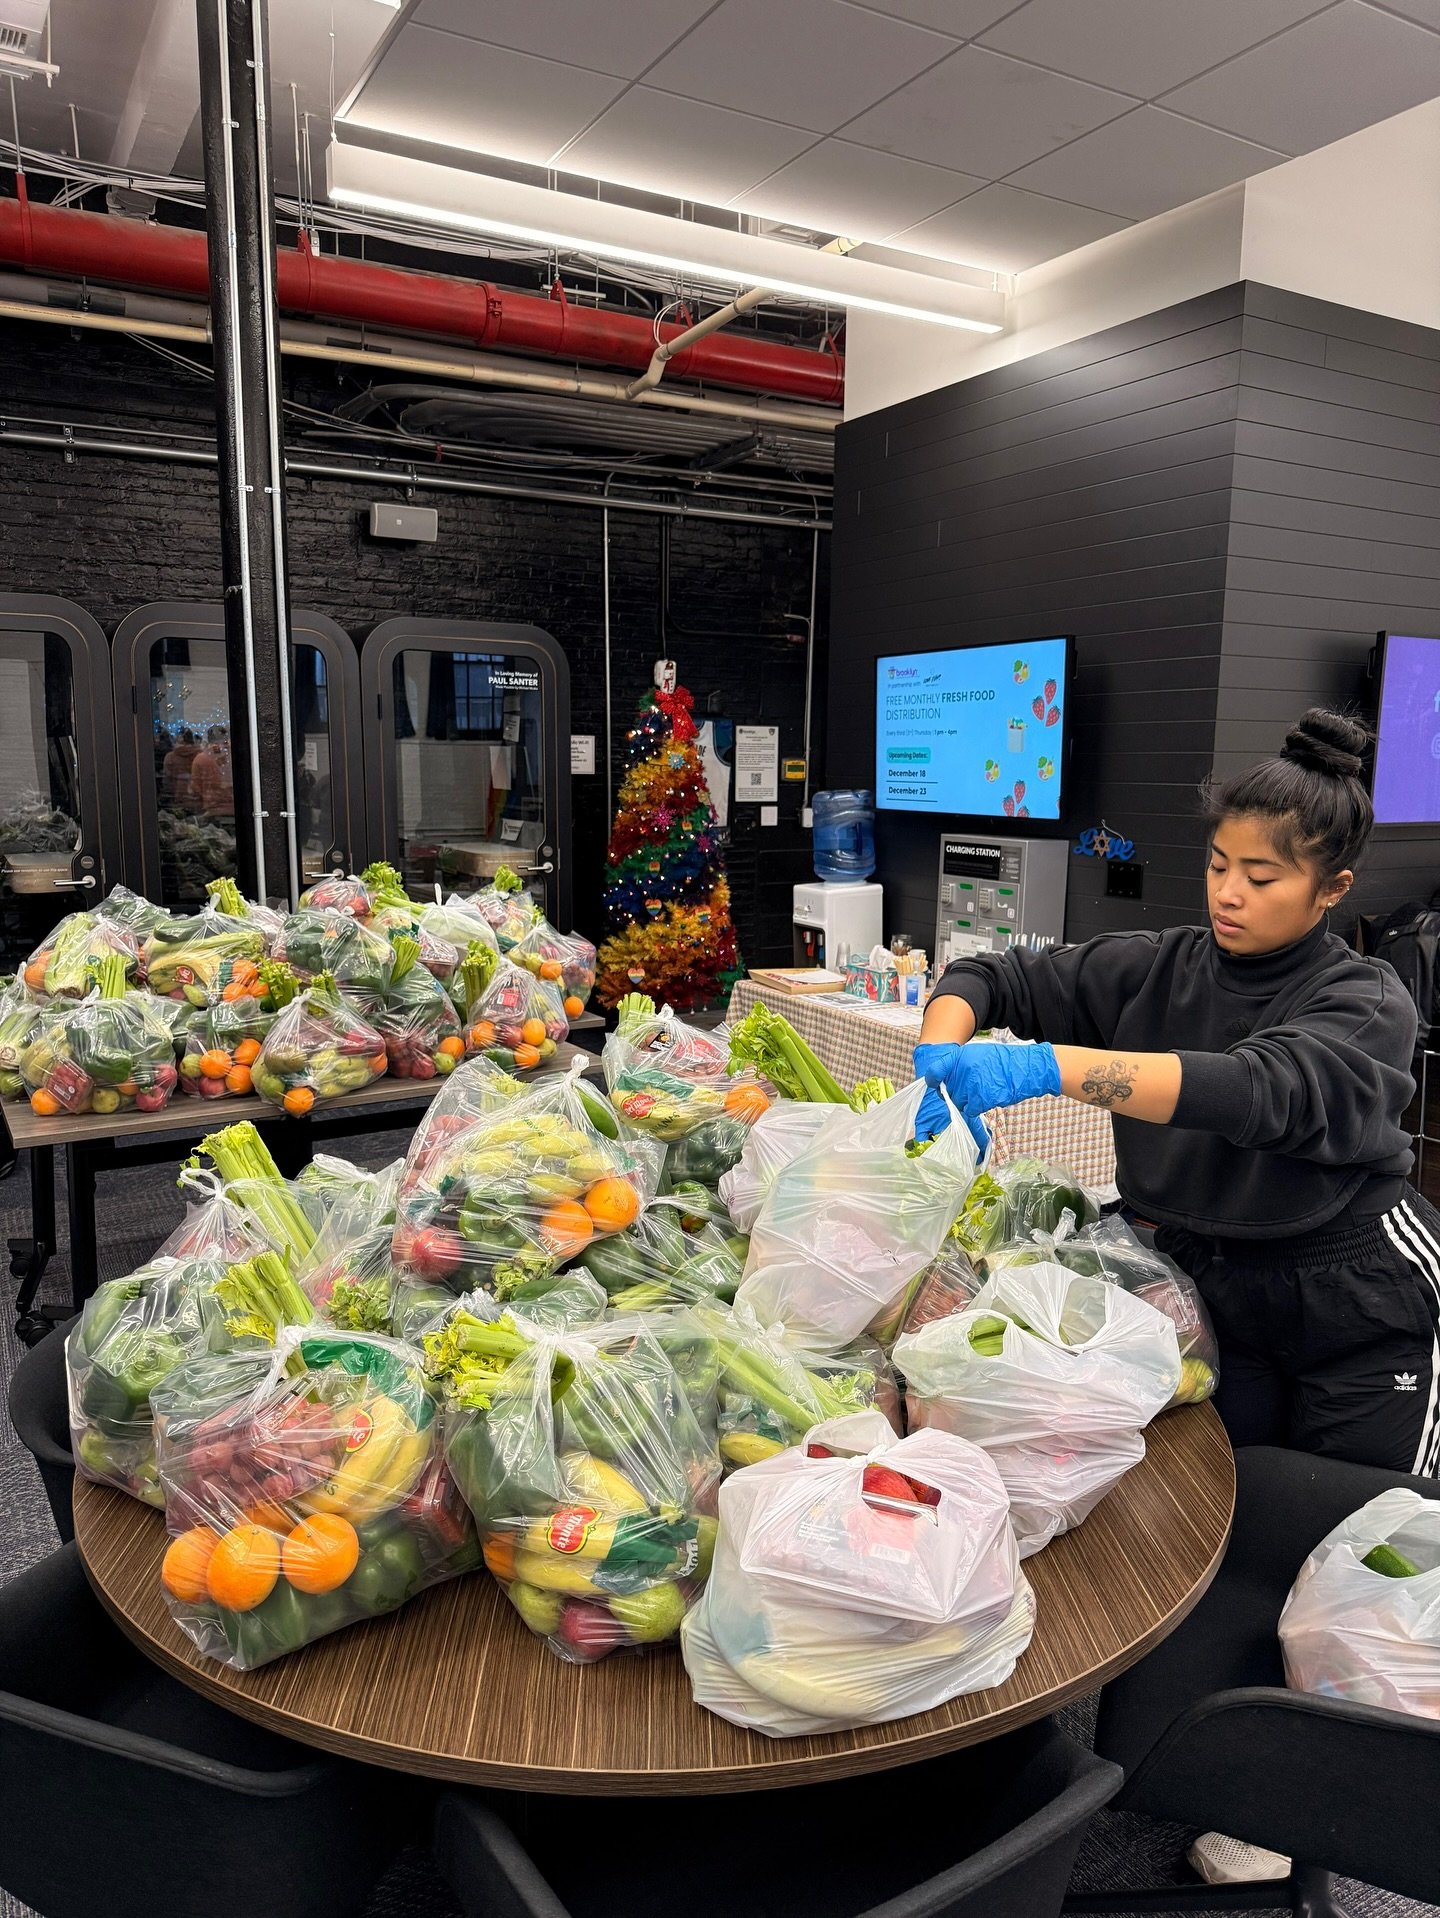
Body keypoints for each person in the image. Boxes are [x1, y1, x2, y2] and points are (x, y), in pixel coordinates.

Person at [915, 708, 1438, 1480]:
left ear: (1332, 889)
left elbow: (1258, 1090)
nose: (1229, 893)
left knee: (1363, 1514)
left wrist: (1044, 1068)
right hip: (1209, 1278)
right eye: (1218, 865)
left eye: (1261, 878)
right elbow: (992, 978)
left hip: (1351, 1294)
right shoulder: (1157, 965)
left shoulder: (1366, 999)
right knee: (1225, 1491)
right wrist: (940, 1054)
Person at [189, 725, 234, 818]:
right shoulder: (233, 756)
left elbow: (195, 788)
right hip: (235, 808)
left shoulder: (201, 759)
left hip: (212, 810)